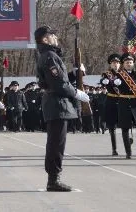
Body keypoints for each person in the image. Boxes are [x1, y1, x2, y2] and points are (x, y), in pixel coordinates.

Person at [35, 25, 90, 192]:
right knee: (56, 144)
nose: (55, 37)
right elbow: (58, 84)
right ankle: (53, 180)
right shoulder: (50, 56)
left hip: (57, 103)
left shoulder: (49, 55)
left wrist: (74, 73)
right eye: (52, 35)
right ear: (45, 39)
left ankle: (54, 178)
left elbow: (60, 79)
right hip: (57, 103)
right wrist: (76, 93)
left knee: (57, 143)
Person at [115, 53, 136, 159]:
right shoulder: (118, 75)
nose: (129, 64)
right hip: (123, 102)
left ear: (133, 64)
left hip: (135, 102)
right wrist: (114, 83)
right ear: (123, 64)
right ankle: (128, 151)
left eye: (130, 62)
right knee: (125, 128)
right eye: (127, 62)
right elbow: (111, 87)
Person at [100, 54, 122, 156]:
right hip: (111, 100)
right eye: (114, 63)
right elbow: (102, 81)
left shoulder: (123, 73)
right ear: (110, 64)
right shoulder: (107, 74)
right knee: (112, 126)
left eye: (117, 63)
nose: (116, 65)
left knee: (125, 124)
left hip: (122, 100)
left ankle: (127, 144)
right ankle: (114, 148)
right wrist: (104, 82)